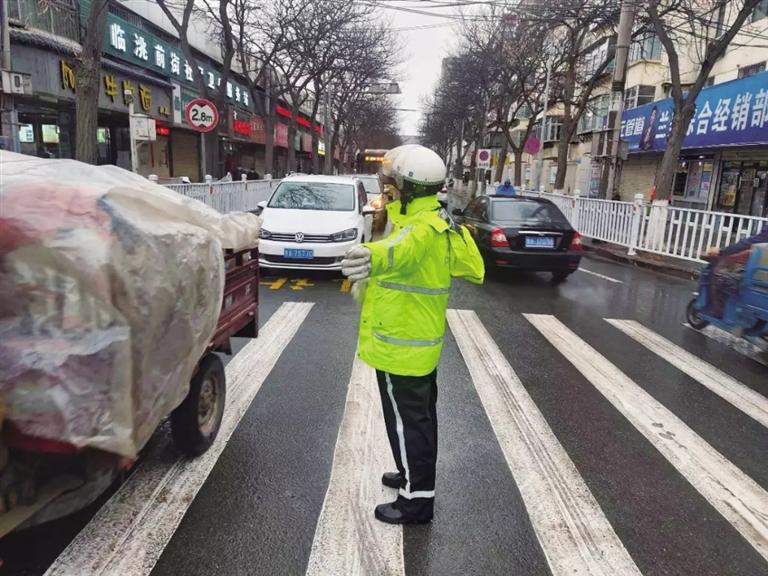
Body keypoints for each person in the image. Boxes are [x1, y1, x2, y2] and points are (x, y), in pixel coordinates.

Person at [341, 145, 485, 525]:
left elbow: (401, 251)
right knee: (415, 420)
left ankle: (416, 500)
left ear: (408, 186)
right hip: (413, 343)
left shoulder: (421, 228)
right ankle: (411, 476)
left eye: (391, 182)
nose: (385, 188)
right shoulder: (431, 218)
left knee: (410, 423)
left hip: (402, 345)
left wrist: (372, 257)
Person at [706, 228, 768, 317]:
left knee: (720, 275)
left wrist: (722, 251)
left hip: (761, 279)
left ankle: (719, 312)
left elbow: (750, 243)